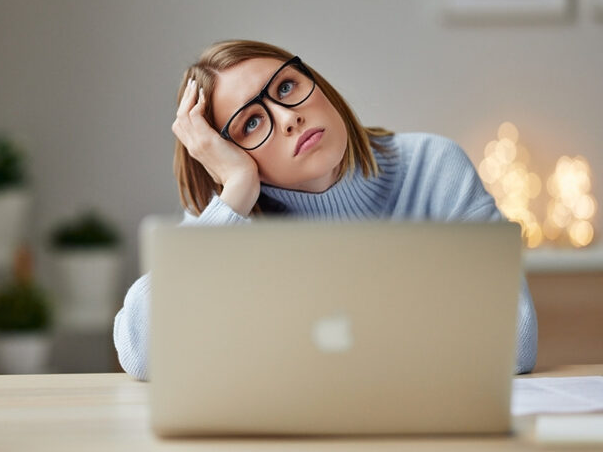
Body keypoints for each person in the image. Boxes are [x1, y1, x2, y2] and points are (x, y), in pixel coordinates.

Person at [113, 39, 538, 381]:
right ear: (225, 154)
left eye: (285, 87)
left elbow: (514, 339)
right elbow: (142, 349)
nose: (287, 117)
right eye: (251, 123)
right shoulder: (231, 218)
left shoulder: (434, 166)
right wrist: (237, 192)